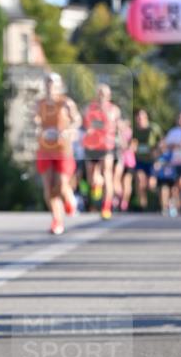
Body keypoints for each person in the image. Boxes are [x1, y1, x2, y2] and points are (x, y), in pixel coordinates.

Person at [34, 72, 81, 235]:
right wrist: (36, 126)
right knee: (48, 188)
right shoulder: (39, 103)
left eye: (53, 83)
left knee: (61, 184)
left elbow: (77, 120)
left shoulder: (66, 102)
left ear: (58, 86)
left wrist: (68, 131)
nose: (49, 86)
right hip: (45, 149)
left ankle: (70, 202)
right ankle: (57, 221)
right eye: (47, 82)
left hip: (63, 149)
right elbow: (34, 120)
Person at [82, 83, 121, 219]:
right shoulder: (90, 108)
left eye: (104, 94)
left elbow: (112, 125)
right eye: (99, 93)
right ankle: (97, 185)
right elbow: (86, 124)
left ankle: (106, 207)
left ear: (109, 96)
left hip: (107, 146)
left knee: (107, 174)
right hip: (92, 146)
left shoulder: (113, 109)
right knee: (93, 177)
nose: (101, 96)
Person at [131, 108, 161, 211]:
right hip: (140, 160)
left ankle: (158, 201)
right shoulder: (134, 130)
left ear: (146, 117)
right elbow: (132, 143)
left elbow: (161, 142)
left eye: (142, 117)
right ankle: (142, 205)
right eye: (138, 118)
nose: (140, 119)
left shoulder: (153, 128)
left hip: (151, 161)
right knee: (140, 181)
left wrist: (158, 154)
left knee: (151, 185)